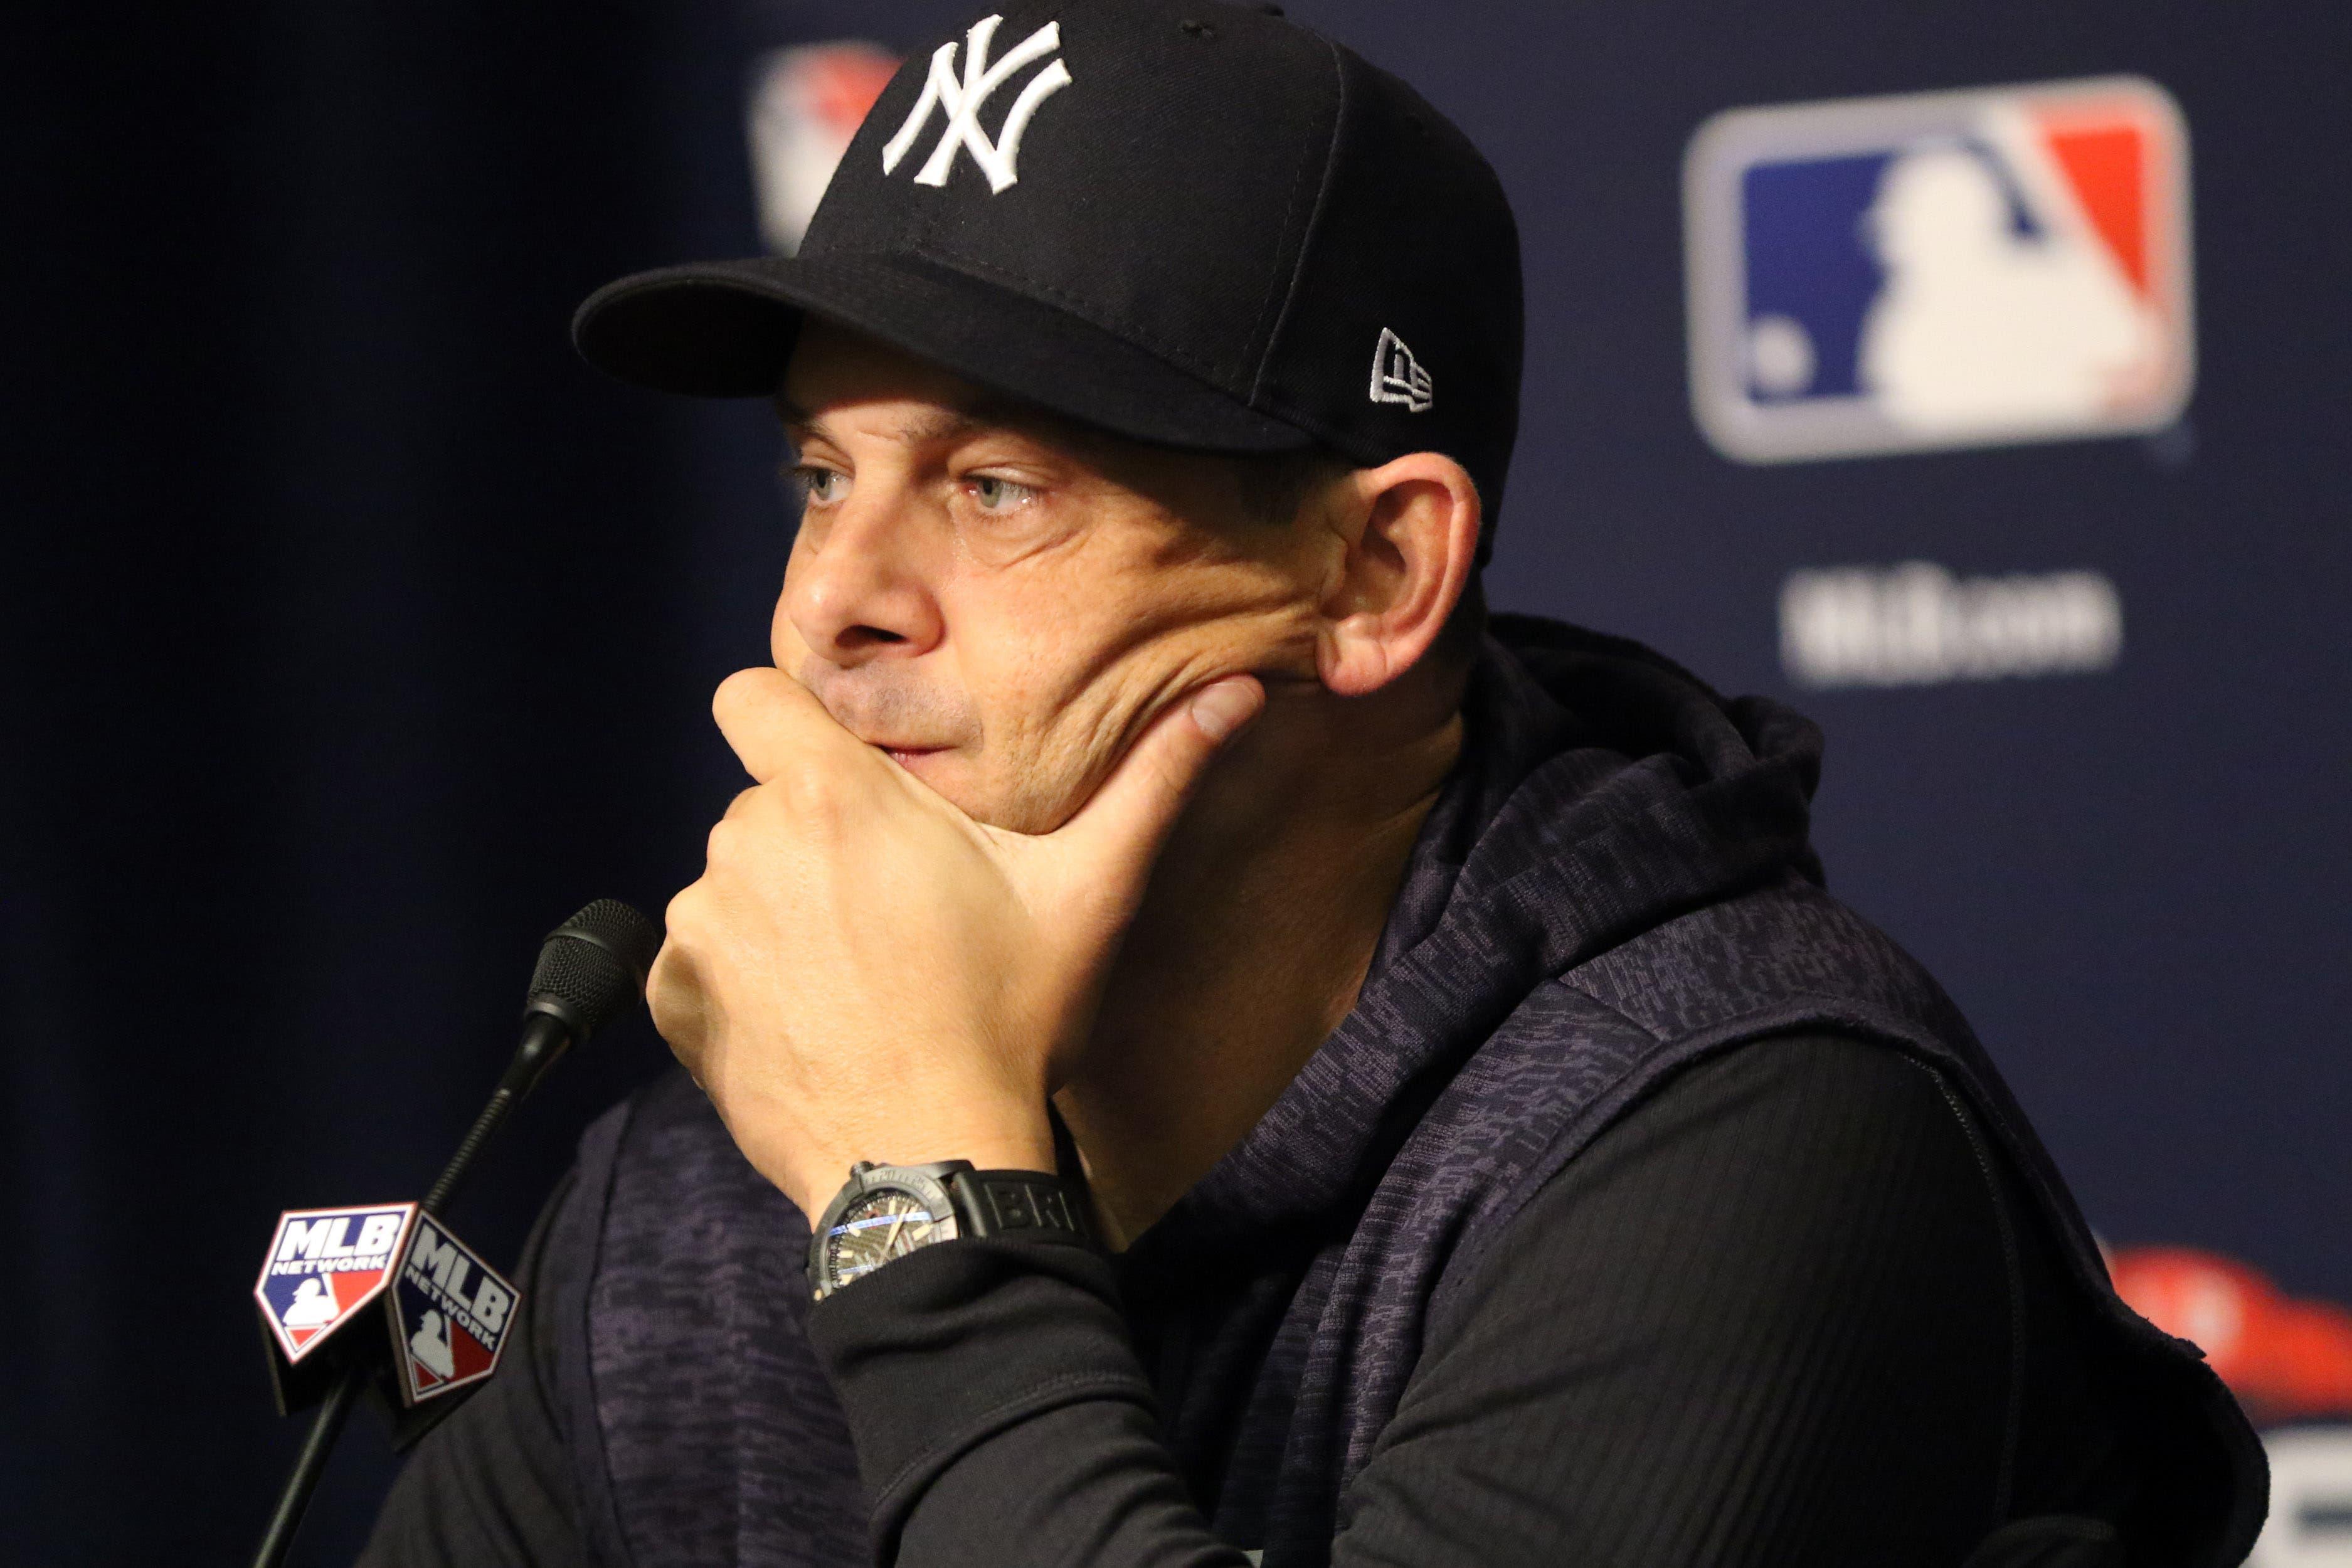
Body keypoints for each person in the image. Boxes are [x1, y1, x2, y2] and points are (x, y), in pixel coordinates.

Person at [361, 3, 2264, 1564]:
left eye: (996, 486)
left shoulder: (1750, 1138)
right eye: (821, 475)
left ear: (1375, 577)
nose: (829, 607)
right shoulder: (710, 1182)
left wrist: (918, 1203)